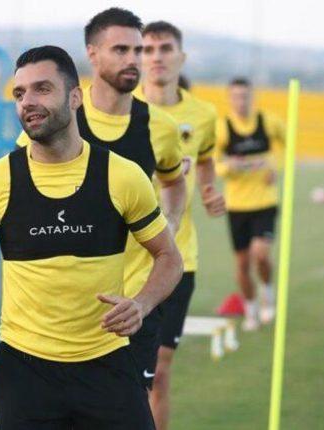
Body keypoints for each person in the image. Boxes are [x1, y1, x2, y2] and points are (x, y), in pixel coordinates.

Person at [0, 45, 182, 430]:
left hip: (108, 367)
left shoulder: (121, 176)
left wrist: (141, 304)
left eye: (42, 89)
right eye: (19, 93)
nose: (28, 101)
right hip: (25, 374)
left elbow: (169, 257)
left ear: (75, 98)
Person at [20, 8, 187, 391]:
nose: (133, 59)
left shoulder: (160, 127)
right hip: (66, 312)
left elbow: (174, 182)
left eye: (138, 50)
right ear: (92, 55)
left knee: (132, 408)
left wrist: (171, 221)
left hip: (133, 305)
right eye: (120, 50)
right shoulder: (59, 117)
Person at [138, 20, 226, 430]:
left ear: (181, 56)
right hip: (120, 260)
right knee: (117, 375)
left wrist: (208, 190)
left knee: (158, 372)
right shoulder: (123, 111)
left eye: (165, 48)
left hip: (177, 259)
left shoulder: (203, 115)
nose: (157, 57)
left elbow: (205, 159)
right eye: (148, 49)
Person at [216, 77, 285, 331]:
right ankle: (251, 309)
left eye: (245, 96)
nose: (241, 101)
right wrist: (228, 167)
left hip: (265, 202)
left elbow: (287, 144)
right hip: (237, 206)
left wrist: (275, 166)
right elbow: (213, 163)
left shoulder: (268, 122)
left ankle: (267, 292)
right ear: (229, 98)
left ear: (252, 97)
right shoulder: (223, 128)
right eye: (236, 96)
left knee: (261, 254)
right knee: (243, 264)